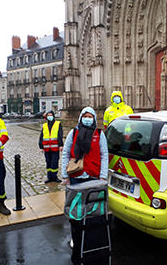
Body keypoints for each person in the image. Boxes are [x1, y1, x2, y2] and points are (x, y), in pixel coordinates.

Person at [61, 107, 108, 264]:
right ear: (80, 118)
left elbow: (104, 154)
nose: (87, 119)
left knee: (92, 211)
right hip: (76, 178)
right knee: (76, 211)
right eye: (85, 116)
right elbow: (66, 153)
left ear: (94, 119)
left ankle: (88, 238)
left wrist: (103, 176)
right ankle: (76, 237)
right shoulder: (73, 133)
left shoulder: (99, 134)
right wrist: (65, 176)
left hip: (93, 178)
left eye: (90, 117)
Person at [39, 110, 63, 183]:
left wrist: (61, 145)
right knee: (48, 162)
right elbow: (41, 136)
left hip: (55, 147)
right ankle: (49, 177)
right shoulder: (44, 125)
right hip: (46, 148)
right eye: (48, 115)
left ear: (53, 116)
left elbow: (60, 135)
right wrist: (41, 146)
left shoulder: (58, 124)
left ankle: (54, 177)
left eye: (51, 115)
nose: (49, 116)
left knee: (54, 162)